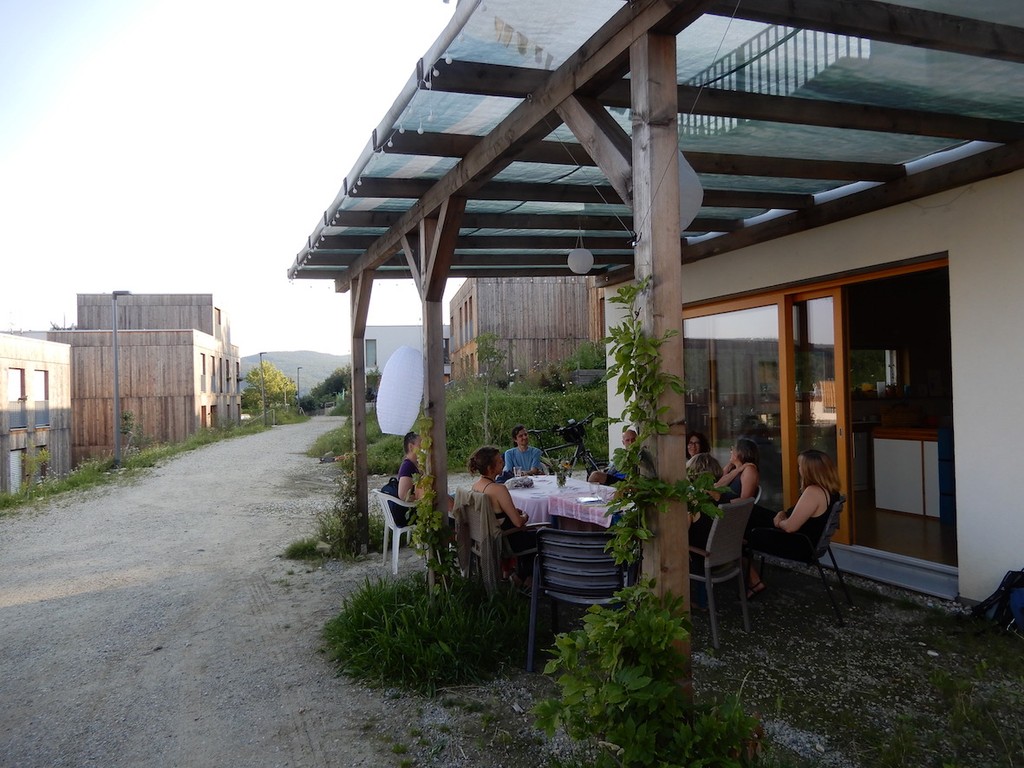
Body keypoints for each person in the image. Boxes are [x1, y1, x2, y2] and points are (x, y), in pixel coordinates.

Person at [745, 449, 842, 598]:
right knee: (751, 511)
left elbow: (790, 527)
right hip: (803, 540)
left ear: (810, 470)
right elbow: (796, 515)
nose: (799, 469)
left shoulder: (813, 492)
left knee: (738, 532)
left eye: (800, 466)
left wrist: (779, 522)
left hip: (797, 545)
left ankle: (754, 582)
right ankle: (753, 580)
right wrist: (781, 515)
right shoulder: (831, 491)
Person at [469, 445, 538, 585]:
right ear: (490, 468)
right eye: (500, 461)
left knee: (528, 533)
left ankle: (518, 576)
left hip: (488, 538)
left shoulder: (476, 486)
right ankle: (526, 579)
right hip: (507, 541)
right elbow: (518, 523)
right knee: (541, 534)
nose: (503, 463)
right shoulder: (499, 489)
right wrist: (525, 515)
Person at [717, 437, 760, 503]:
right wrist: (731, 468)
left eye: (733, 449)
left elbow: (745, 500)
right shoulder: (733, 468)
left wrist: (724, 505)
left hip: (729, 509)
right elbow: (717, 487)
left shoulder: (749, 470)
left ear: (742, 452)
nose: (731, 451)